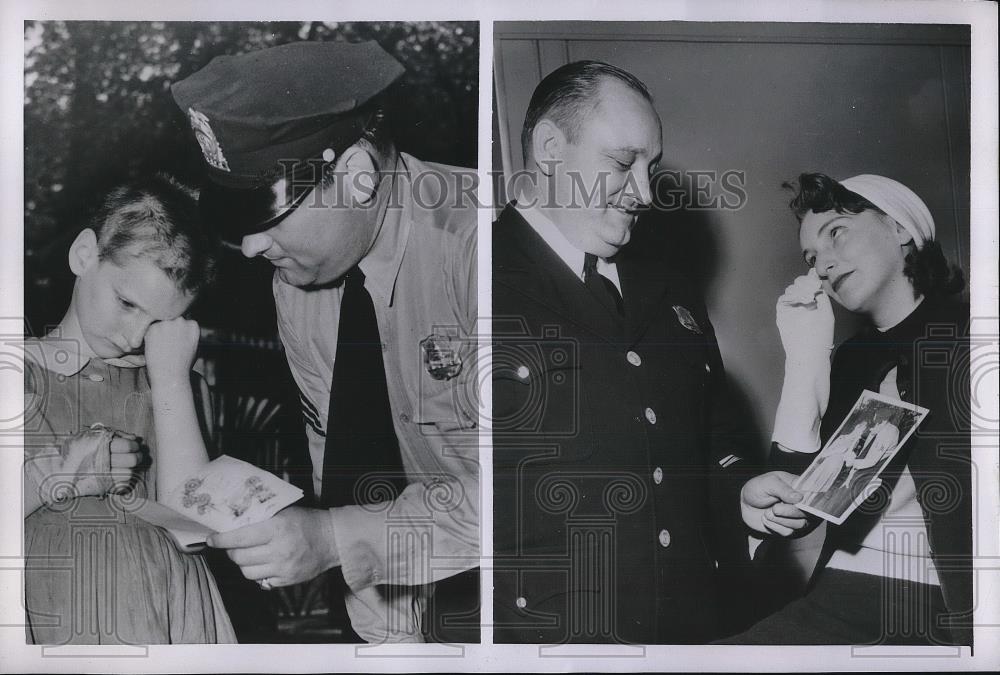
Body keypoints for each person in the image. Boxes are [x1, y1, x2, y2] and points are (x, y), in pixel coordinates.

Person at [171, 40, 479, 643]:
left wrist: (334, 538)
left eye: (267, 218)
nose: (252, 249)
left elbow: (528, 488)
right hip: (420, 604)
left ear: (357, 176)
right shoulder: (300, 289)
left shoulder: (480, 251)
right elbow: (342, 463)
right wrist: (390, 644)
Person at [492, 60, 751, 644]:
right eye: (621, 163)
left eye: (650, 167)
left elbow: (712, 437)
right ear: (551, 148)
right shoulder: (473, 280)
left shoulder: (671, 289)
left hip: (690, 635)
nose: (643, 192)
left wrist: (741, 492)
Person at [735, 173, 970, 645]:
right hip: (844, 597)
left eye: (836, 232)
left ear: (900, 228)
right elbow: (796, 513)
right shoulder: (853, 362)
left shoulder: (974, 338)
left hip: (951, 610)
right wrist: (806, 359)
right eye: (811, 257)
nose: (822, 264)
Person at [23, 174, 236, 644]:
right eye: (126, 303)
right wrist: (59, 473)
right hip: (60, 613)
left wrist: (172, 381)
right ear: (84, 255)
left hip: (171, 613)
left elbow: (191, 529)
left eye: (161, 322)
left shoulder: (175, 383)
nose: (136, 337)